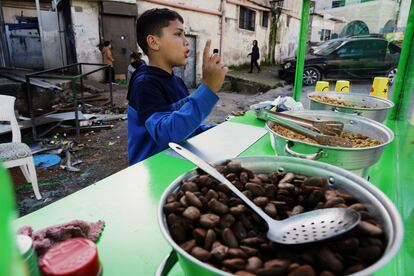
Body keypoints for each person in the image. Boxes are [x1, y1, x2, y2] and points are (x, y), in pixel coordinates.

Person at [127, 8, 227, 165]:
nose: (186, 41)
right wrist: (208, 88)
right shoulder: (144, 84)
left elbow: (186, 127)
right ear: (153, 42)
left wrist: (222, 129)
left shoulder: (177, 81)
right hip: (152, 170)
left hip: (176, 162)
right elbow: (166, 134)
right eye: (178, 34)